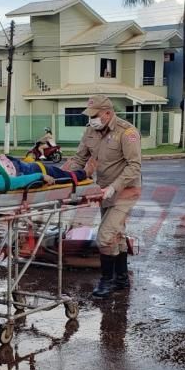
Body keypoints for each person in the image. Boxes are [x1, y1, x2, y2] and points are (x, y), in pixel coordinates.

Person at [62, 95, 141, 298]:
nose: (91, 120)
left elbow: (134, 166)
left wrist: (114, 187)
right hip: (103, 191)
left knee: (105, 236)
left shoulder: (127, 132)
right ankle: (122, 278)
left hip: (125, 191)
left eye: (94, 115)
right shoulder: (91, 130)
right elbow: (80, 158)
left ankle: (107, 280)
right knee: (117, 234)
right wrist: (63, 178)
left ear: (107, 113)